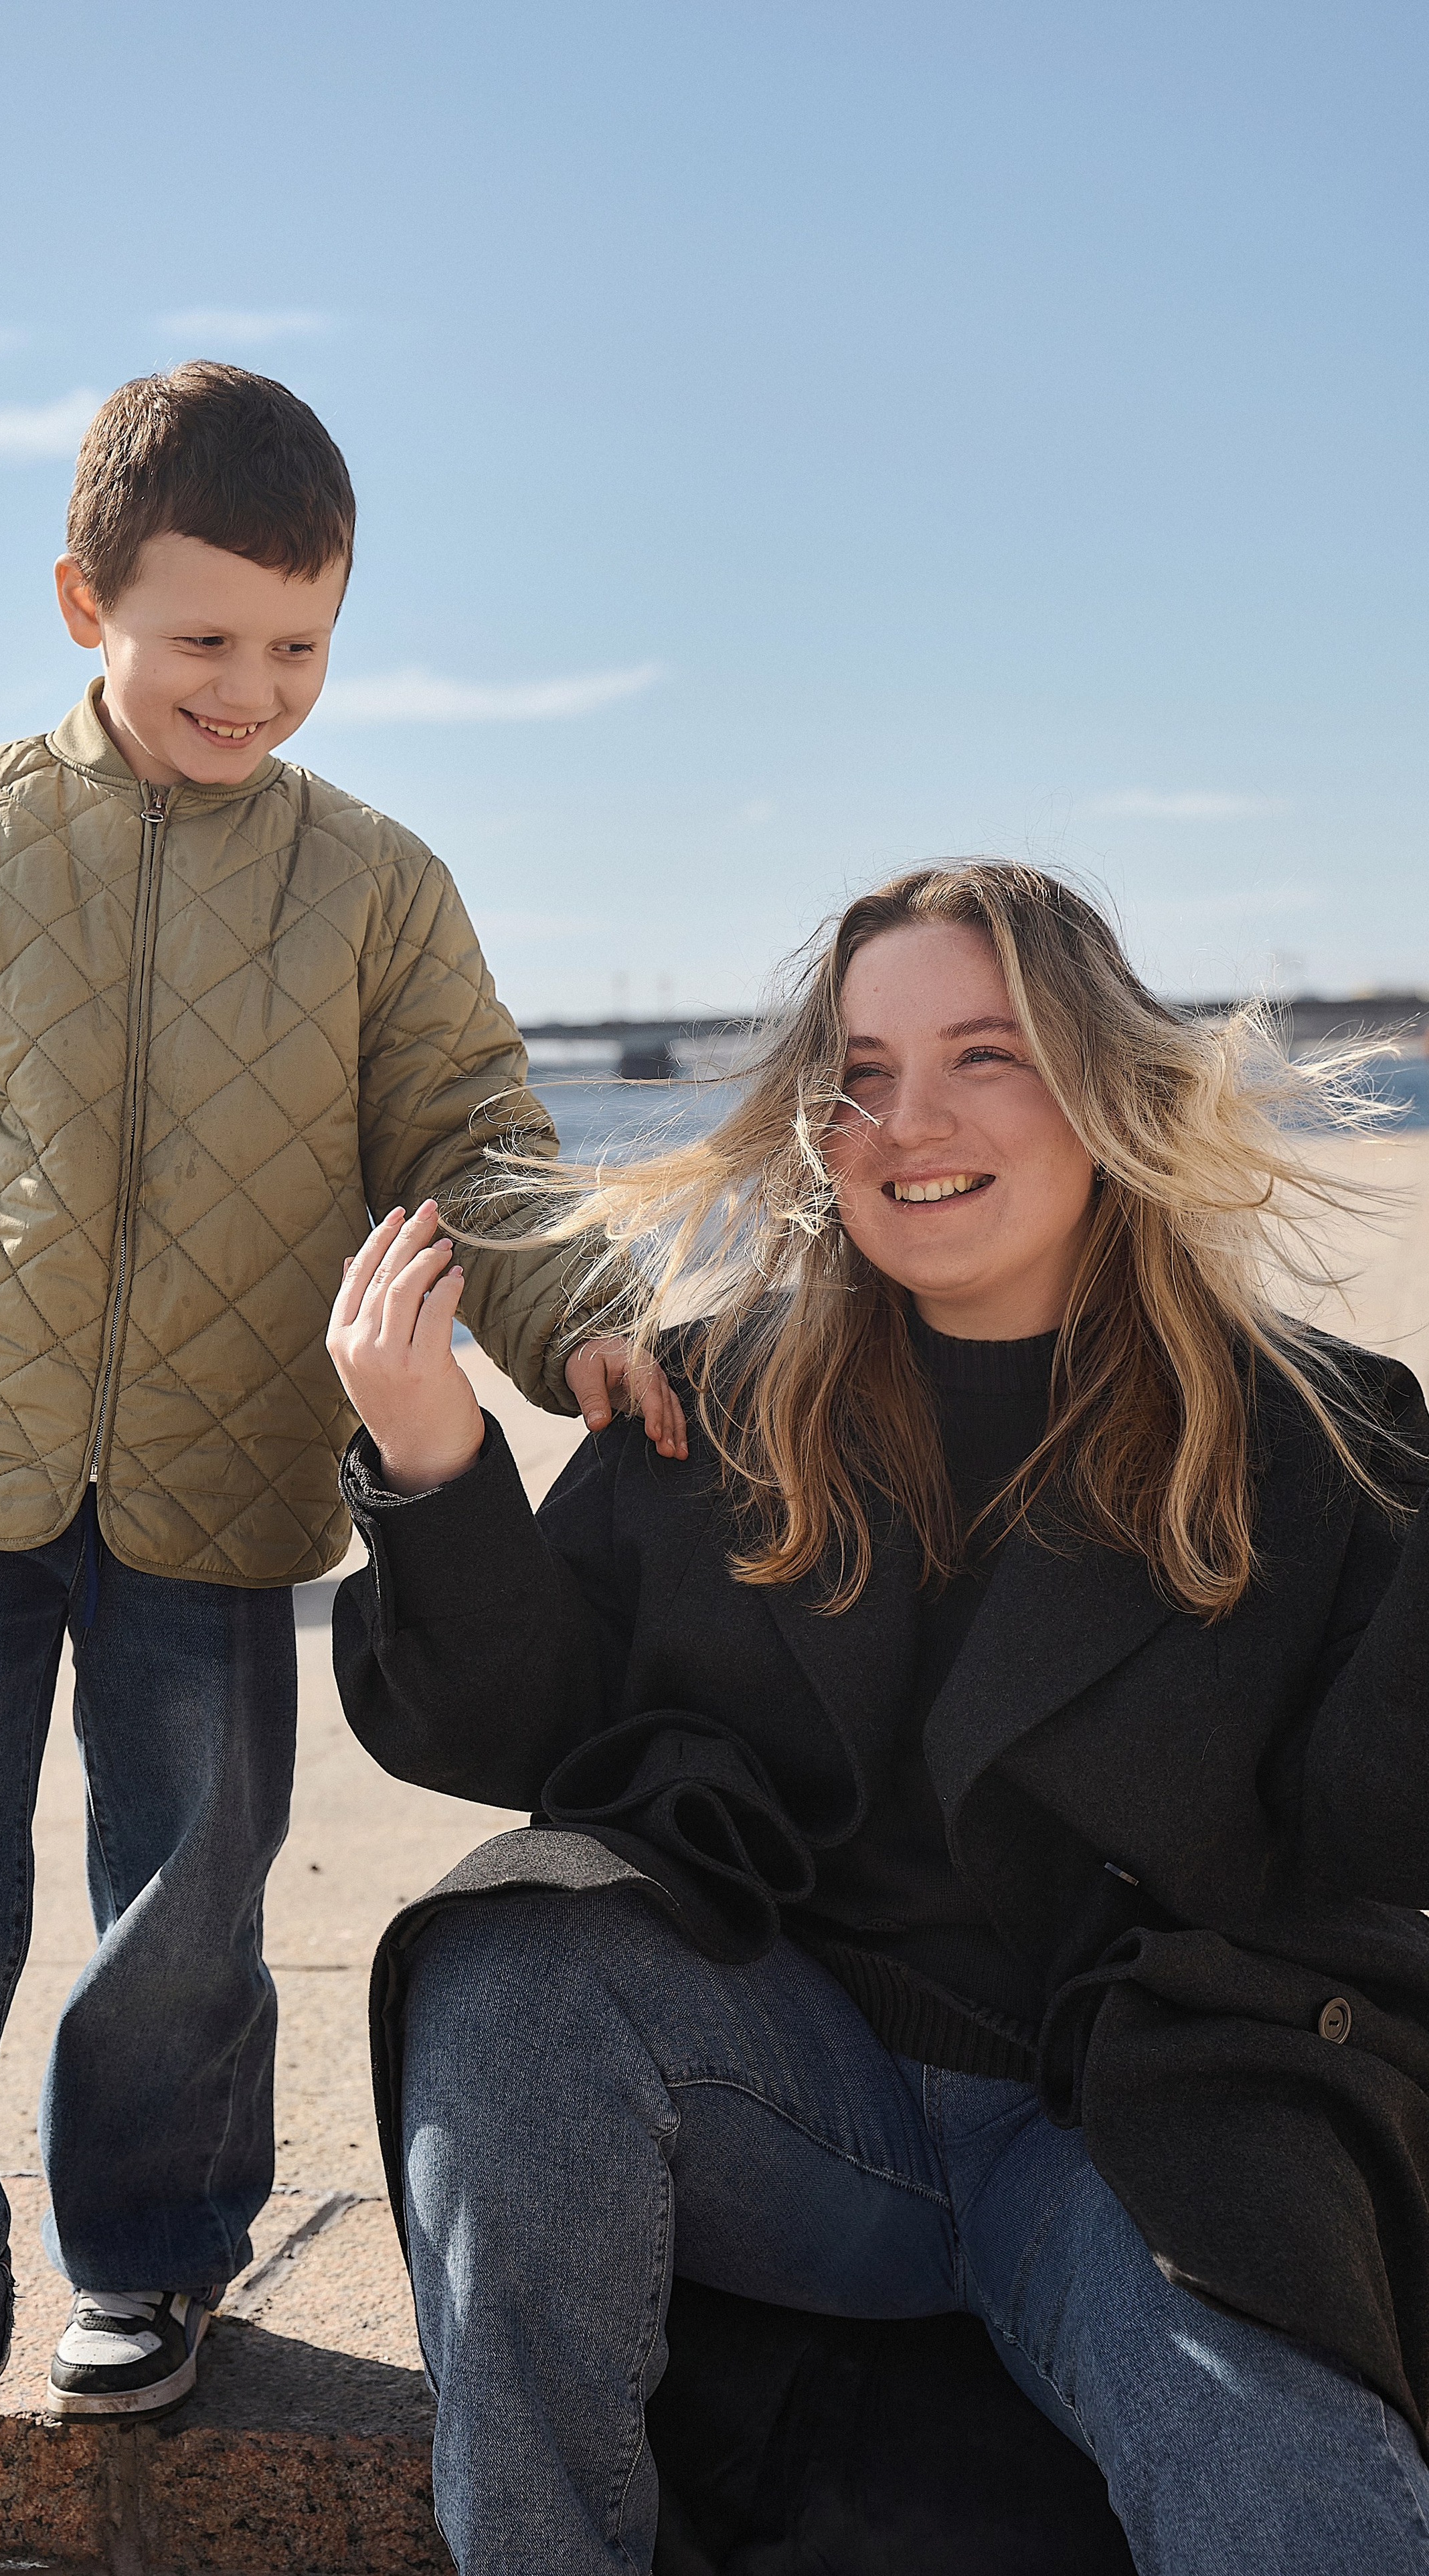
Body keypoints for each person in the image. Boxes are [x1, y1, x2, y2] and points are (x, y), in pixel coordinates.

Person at [0, 361, 680, 2555]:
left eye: (299, 644)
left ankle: (149, 2255)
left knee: (191, 1892)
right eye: (205, 639)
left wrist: (582, 1317)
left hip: (227, 1472)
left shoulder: (378, 887)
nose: (252, 688)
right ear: (86, 601)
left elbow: (477, 1141)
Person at [326, 860, 1429, 2576]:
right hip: (792, 2109)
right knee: (510, 1959)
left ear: (1107, 1086)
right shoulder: (719, 1396)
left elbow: (1382, 1828)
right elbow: (513, 1729)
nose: (906, 1121)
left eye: (985, 1055)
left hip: (1136, 2132)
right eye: (858, 1073)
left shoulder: (1312, 1431)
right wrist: (431, 1457)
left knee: (1289, 2485)